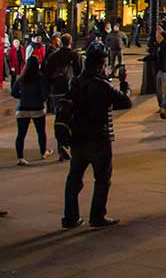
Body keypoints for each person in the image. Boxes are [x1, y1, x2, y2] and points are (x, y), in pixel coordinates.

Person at [62, 45, 132, 228]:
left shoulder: (76, 82)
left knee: (74, 178)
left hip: (78, 137)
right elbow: (125, 101)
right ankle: (97, 215)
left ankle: (70, 217)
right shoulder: (101, 85)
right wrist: (124, 84)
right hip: (99, 138)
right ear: (101, 65)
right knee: (102, 178)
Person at [44, 34, 82, 161]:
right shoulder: (74, 55)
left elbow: (47, 73)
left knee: (59, 117)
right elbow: (79, 73)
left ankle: (61, 145)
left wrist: (49, 89)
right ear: (70, 42)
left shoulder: (53, 56)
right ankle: (70, 144)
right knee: (71, 118)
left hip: (56, 90)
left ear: (61, 42)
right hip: (69, 90)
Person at [13, 55, 52, 165]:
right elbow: (45, 94)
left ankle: (20, 157)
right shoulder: (40, 77)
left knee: (21, 134)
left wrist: (23, 96)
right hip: (37, 108)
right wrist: (38, 99)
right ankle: (43, 152)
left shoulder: (21, 77)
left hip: (22, 108)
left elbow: (14, 92)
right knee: (40, 132)